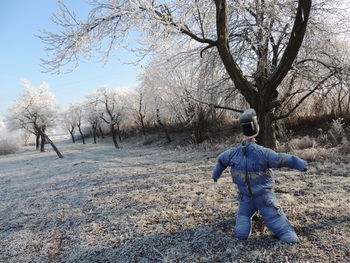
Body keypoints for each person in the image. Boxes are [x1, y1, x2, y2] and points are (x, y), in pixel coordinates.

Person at [212, 109, 307, 243]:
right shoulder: (263, 153)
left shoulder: (232, 153)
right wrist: (300, 164)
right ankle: (289, 237)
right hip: (264, 196)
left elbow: (221, 161)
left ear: (242, 130)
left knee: (243, 217)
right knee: (275, 218)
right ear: (256, 128)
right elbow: (282, 159)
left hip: (245, 197)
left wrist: (215, 175)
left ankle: (241, 235)